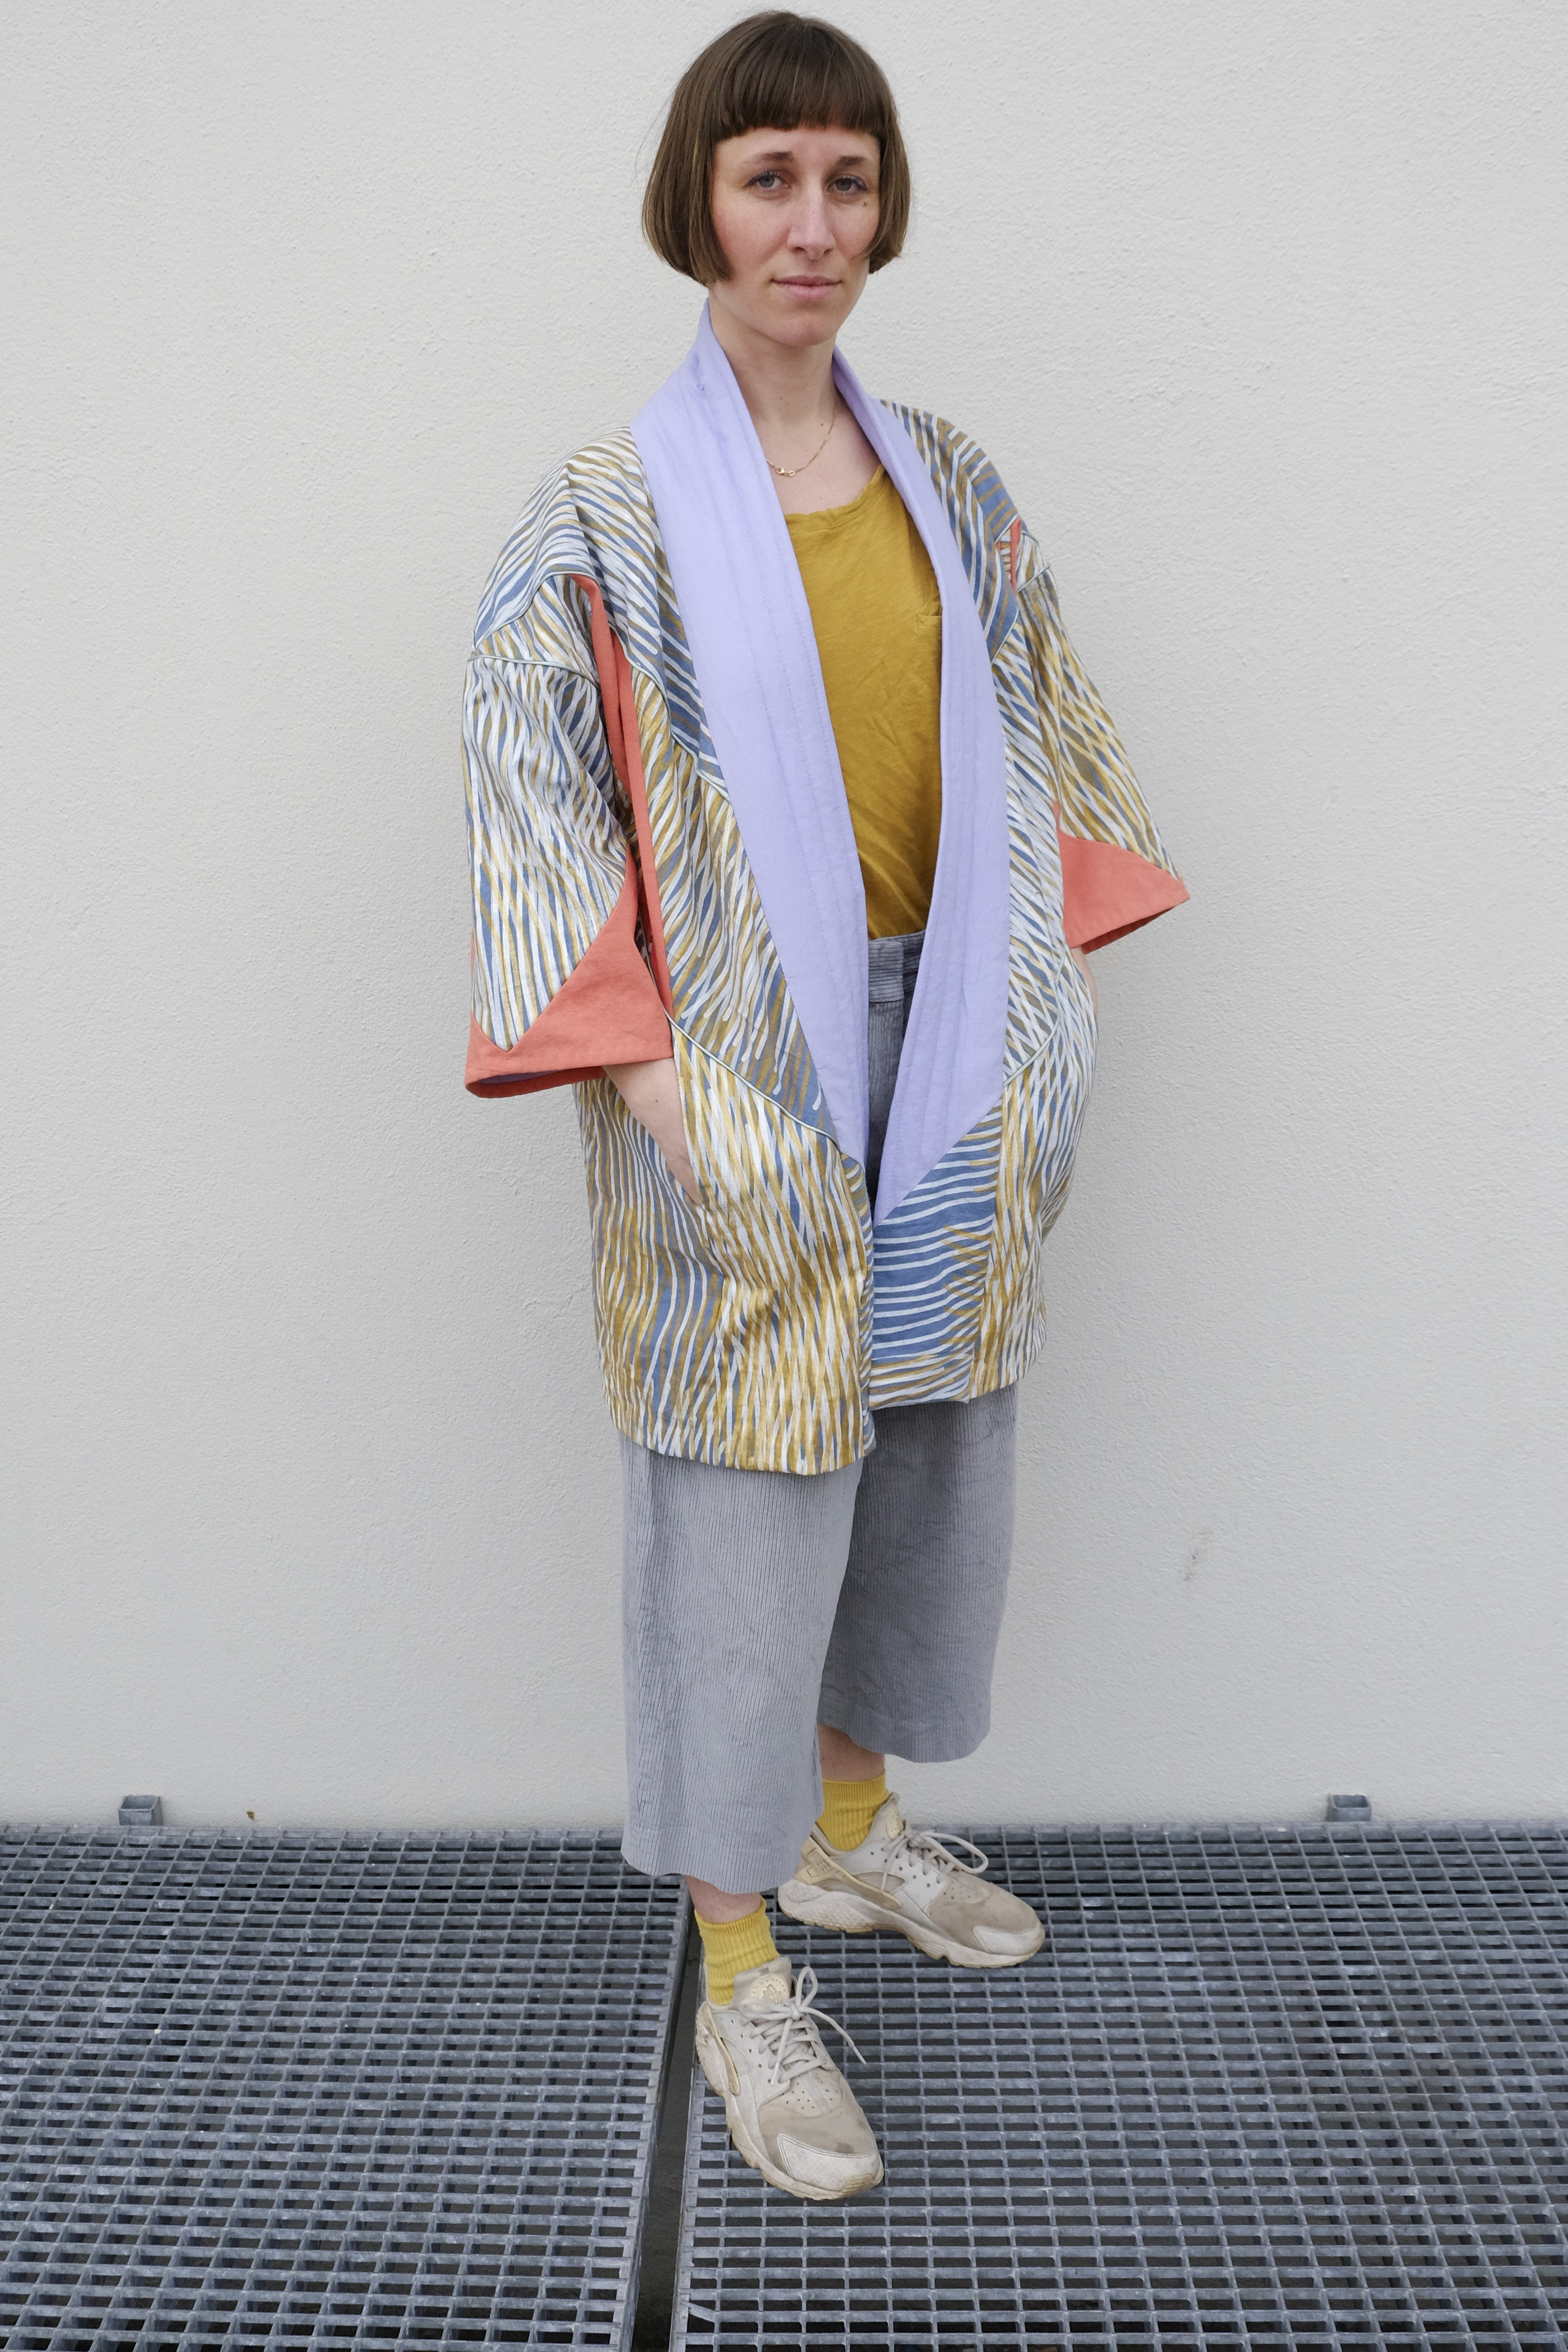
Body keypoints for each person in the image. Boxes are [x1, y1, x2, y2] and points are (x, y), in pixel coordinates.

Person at [462, 11, 1186, 2201]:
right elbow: (533, 816)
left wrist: (1041, 1019)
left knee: (925, 1453)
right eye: (767, 176)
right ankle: (739, 1969)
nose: (810, 225)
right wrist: (665, 1094)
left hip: (947, 1022)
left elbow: (1049, 735)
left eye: (845, 182)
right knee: (745, 1496)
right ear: (696, 200)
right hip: (727, 1061)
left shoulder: (946, 476)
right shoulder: (599, 518)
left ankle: (852, 1830)